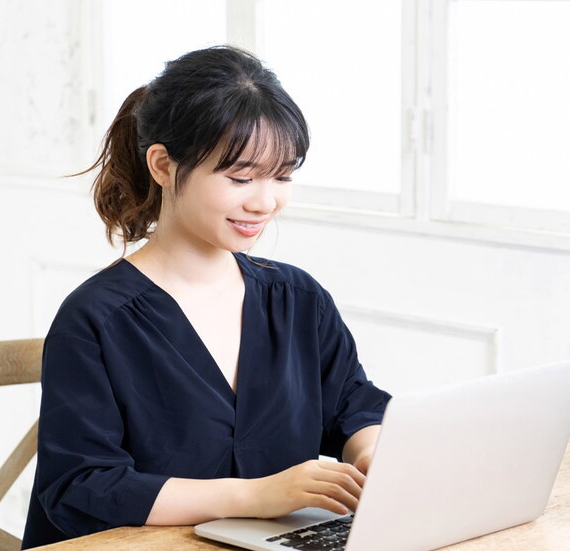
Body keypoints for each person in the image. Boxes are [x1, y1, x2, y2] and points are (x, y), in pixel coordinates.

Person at [20, 46, 391, 549]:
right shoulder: (97, 319)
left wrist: (372, 455)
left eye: (282, 176)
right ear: (162, 165)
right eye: (240, 178)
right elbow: (82, 486)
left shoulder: (298, 299)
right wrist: (254, 495)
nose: (264, 202)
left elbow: (354, 405)